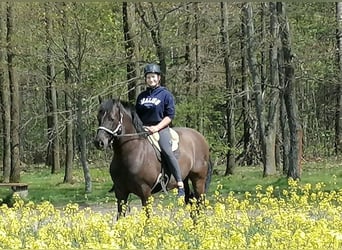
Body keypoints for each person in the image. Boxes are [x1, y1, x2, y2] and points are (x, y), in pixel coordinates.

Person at [135, 63, 185, 197]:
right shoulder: (141, 96)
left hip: (160, 128)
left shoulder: (165, 95)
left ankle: (179, 183)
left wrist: (156, 128)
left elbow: (170, 116)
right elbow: (137, 116)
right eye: (148, 77)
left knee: (167, 151)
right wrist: (142, 127)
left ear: (158, 78)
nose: (151, 80)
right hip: (144, 129)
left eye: (153, 77)